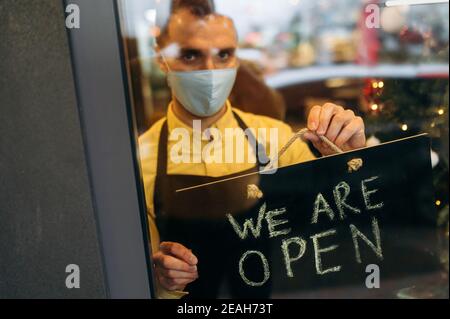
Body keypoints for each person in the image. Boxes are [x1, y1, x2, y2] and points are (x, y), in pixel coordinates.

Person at [139, 0, 366, 299]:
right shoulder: (140, 161)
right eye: (191, 55)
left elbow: (341, 234)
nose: (210, 71)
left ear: (236, 59)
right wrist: (162, 285)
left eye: (223, 55)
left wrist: (350, 161)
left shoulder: (277, 139)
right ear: (161, 58)